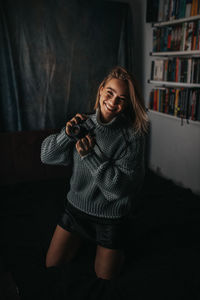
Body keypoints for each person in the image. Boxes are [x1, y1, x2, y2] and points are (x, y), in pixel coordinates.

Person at [40, 66, 149, 280]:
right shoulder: (82, 124)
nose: (113, 102)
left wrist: (89, 156)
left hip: (112, 217)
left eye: (122, 99)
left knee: (104, 277)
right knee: (51, 265)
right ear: (100, 90)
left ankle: (118, 248)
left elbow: (117, 190)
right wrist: (66, 136)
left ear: (127, 104)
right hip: (76, 209)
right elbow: (46, 156)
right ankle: (82, 239)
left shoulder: (132, 136)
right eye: (110, 93)